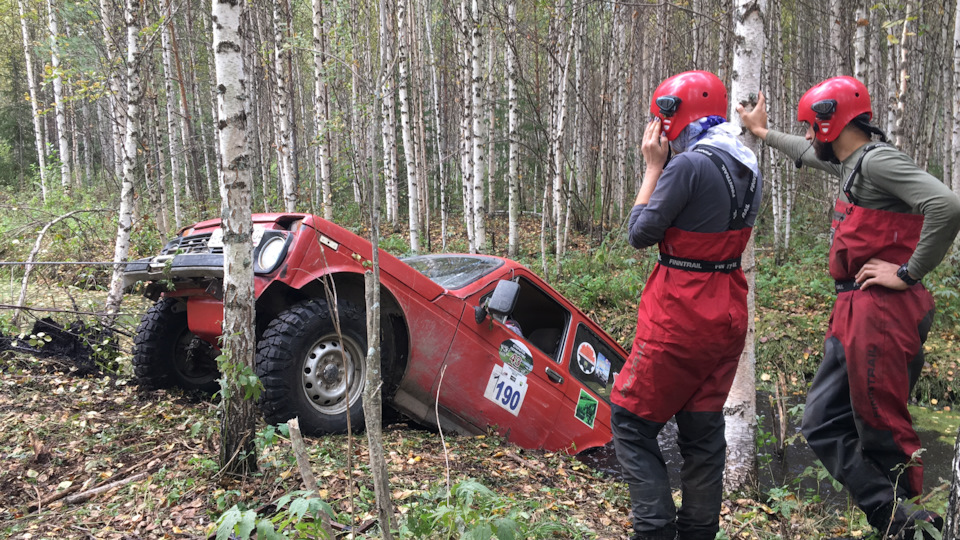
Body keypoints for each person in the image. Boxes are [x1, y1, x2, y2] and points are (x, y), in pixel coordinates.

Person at [737, 76, 960, 539]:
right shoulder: (852, 162)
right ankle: (896, 518)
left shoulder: (878, 162)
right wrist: (761, 133)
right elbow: (803, 153)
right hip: (854, 310)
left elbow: (947, 204)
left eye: (810, 126)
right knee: (819, 419)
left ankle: (911, 530)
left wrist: (906, 273)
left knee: (883, 430)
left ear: (828, 125)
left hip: (883, 312)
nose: (808, 135)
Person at [611, 70, 762, 540]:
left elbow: (640, 233)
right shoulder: (746, 163)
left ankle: (654, 531)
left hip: (682, 311)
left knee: (631, 422)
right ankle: (698, 532)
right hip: (728, 310)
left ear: (675, 114)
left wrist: (653, 166)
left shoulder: (688, 166)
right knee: (701, 429)